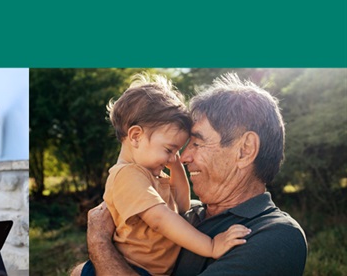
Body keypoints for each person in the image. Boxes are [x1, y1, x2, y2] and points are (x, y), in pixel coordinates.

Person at [85, 74, 308, 276]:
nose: (182, 157)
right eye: (175, 148)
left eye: (197, 143)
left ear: (245, 150)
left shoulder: (275, 236)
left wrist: (98, 243)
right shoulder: (190, 212)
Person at [72, 76, 250, 276]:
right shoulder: (127, 176)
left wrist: (175, 168)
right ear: (136, 136)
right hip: (127, 267)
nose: (175, 157)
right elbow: (159, 219)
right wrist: (210, 246)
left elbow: (181, 206)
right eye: (169, 149)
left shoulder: (153, 177)